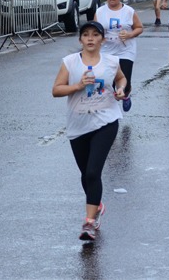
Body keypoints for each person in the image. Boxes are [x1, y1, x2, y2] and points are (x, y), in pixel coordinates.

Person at [52, 21, 127, 241]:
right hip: (78, 125)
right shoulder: (70, 63)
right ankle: (97, 205)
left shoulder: (112, 62)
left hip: (106, 121)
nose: (91, 38)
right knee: (86, 175)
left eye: (95, 34)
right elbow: (56, 90)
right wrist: (77, 86)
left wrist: (121, 89)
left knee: (94, 172)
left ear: (102, 39)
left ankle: (89, 223)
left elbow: (120, 78)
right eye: (86, 35)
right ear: (81, 40)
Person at [92, 0, 143, 111]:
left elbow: (139, 28)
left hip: (125, 50)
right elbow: (94, 30)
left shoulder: (129, 11)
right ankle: (108, 105)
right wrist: (98, 39)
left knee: (124, 79)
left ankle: (126, 94)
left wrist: (130, 34)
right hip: (106, 50)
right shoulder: (100, 11)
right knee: (109, 80)